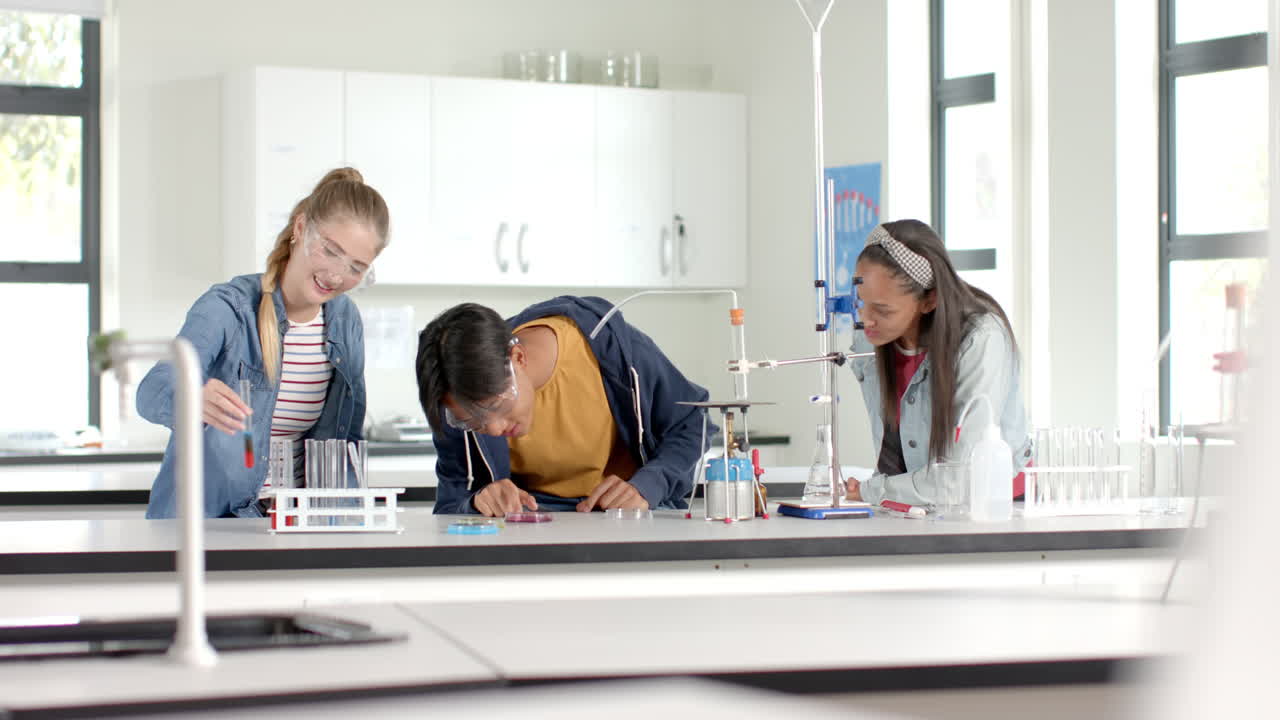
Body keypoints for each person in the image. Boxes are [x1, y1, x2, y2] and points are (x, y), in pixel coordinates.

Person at [137, 168, 389, 518]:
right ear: (301, 229)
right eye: (330, 250)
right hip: (210, 527)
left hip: (299, 526)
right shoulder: (229, 308)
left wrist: (346, 520)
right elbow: (152, 390)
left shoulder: (345, 321)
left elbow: (345, 443)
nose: (336, 275)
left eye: (356, 268)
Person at [415, 296, 711, 516]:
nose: (491, 428)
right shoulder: (455, 393)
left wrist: (649, 485)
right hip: (531, 532)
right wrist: (476, 503)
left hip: (625, 520)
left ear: (518, 358)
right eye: (473, 421)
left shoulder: (609, 347)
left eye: (495, 406)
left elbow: (691, 421)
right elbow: (450, 506)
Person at [845, 219, 1031, 506]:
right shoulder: (869, 338)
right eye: (861, 302)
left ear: (929, 300)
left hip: (995, 503)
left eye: (882, 309)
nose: (865, 320)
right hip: (913, 506)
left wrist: (873, 491)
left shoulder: (981, 339)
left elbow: (962, 478)